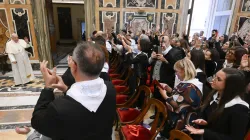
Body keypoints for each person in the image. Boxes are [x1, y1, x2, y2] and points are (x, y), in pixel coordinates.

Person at [31, 42, 116, 140]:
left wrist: (48, 87)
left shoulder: (59, 107)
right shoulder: (110, 89)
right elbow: (85, 106)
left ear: (74, 66)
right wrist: (66, 89)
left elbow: (37, 122)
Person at [186, 68, 249, 140]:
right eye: (214, 76)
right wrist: (206, 123)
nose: (213, 80)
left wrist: (205, 132)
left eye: (218, 79)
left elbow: (235, 138)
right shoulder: (214, 95)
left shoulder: (239, 109)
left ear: (230, 85)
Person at [158, 58, 203, 138]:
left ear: (184, 71)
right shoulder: (188, 83)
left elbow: (176, 106)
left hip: (184, 122)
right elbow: (180, 97)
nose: (176, 74)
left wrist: (164, 95)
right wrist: (168, 89)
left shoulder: (190, 87)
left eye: (177, 71)